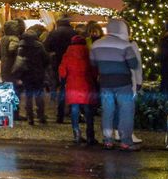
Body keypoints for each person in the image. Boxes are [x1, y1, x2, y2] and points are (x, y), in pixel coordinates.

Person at [90, 17, 141, 150]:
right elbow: (134, 64)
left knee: (107, 111)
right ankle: (125, 141)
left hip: (105, 83)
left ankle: (108, 140)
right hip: (123, 83)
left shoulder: (96, 45)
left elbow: (93, 63)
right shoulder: (125, 45)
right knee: (126, 111)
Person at [58, 35, 98, 145]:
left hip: (73, 85)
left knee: (75, 109)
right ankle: (90, 135)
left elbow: (62, 71)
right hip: (86, 84)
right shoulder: (88, 54)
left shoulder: (67, 54)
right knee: (88, 110)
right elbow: (94, 71)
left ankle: (76, 134)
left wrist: (63, 79)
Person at [15, 24, 50, 125]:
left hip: (26, 74)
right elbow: (46, 59)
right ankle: (41, 116)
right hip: (38, 73)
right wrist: (42, 68)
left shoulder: (21, 46)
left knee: (28, 96)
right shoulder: (39, 46)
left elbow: (18, 61)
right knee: (39, 95)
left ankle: (30, 117)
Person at [44, 19, 76, 124]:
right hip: (73, 63)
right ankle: (73, 111)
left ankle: (60, 114)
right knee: (73, 87)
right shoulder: (74, 33)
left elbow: (46, 47)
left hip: (58, 62)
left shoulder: (54, 33)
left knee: (62, 88)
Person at [0, 19, 25, 119]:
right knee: (15, 91)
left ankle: (8, 111)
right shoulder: (13, 39)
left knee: (8, 90)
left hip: (4, 66)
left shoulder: (3, 38)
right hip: (12, 67)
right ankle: (15, 113)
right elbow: (12, 50)